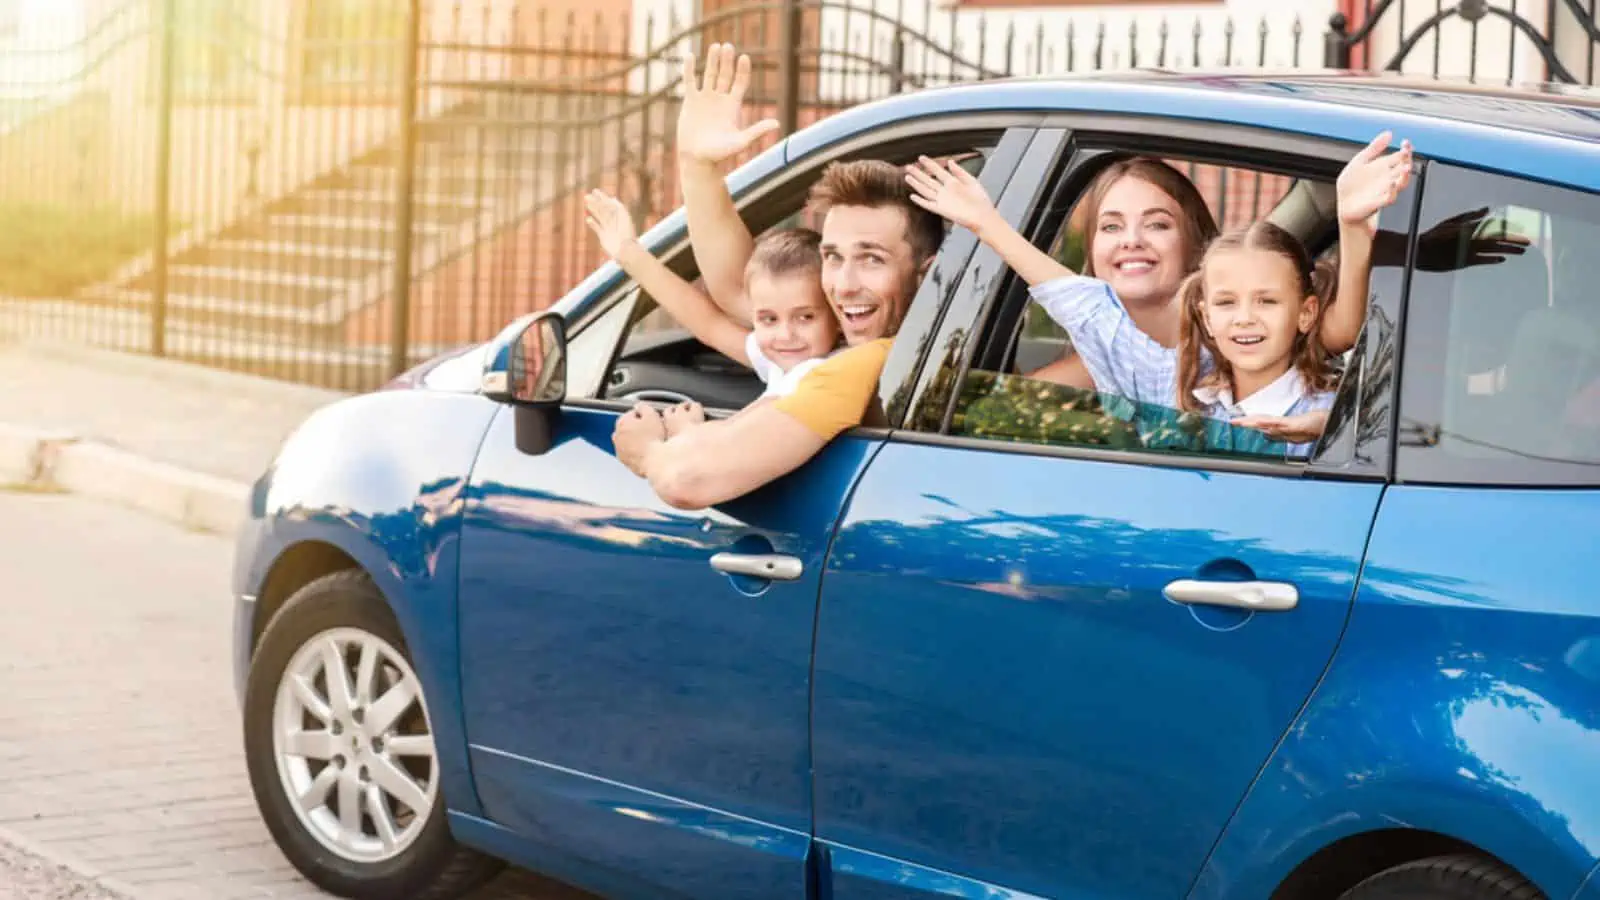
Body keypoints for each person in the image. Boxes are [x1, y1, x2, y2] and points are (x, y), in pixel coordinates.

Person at [906, 131, 1414, 447]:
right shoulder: (1169, 383)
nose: (1244, 318)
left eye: (1266, 301)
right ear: (1205, 313)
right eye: (1227, 302)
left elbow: (1345, 330)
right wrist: (986, 224)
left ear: (1303, 314)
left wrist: (1328, 423)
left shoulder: (1338, 402)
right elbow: (1089, 311)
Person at [610, 43, 944, 508]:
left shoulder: (854, 366)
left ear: (925, 274)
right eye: (832, 256)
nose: (843, 285)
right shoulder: (849, 337)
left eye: (871, 259)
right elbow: (732, 290)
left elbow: (687, 479)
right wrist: (698, 167)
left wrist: (647, 449)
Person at [584, 188, 841, 410]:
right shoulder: (782, 365)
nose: (785, 334)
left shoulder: (820, 373)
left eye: (805, 317)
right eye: (769, 319)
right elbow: (709, 325)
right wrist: (628, 253)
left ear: (837, 315)